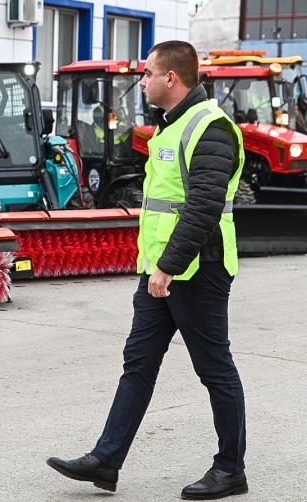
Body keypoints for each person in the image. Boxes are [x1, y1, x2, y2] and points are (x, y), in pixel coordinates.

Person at [46, 40, 248, 500]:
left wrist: (168, 267)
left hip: (198, 270)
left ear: (170, 78)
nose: (142, 82)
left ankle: (230, 469)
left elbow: (202, 207)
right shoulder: (169, 125)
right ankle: (106, 459)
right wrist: (157, 267)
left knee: (214, 369)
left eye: (148, 73)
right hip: (161, 269)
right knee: (138, 362)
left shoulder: (212, 128)